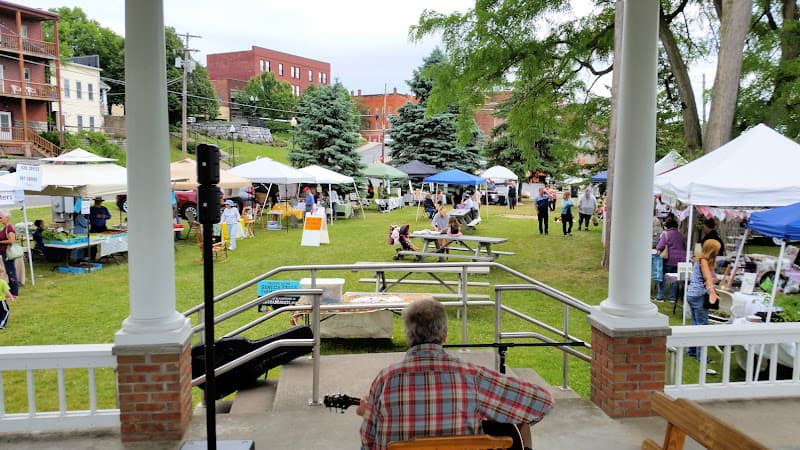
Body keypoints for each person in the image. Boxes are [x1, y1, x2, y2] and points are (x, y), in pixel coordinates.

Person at [357, 299, 553, 450]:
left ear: (408, 335)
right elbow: (543, 402)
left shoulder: (385, 379)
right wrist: (498, 417)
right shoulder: (471, 377)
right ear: (445, 335)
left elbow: (367, 443)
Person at [686, 239, 721, 373]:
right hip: (699, 295)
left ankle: (691, 350)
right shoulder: (704, 261)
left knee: (695, 324)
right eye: (716, 250)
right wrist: (713, 294)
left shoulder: (699, 260)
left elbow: (708, 278)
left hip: (692, 294)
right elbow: (708, 280)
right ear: (712, 250)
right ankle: (702, 357)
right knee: (702, 326)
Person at [654, 218, 687, 302]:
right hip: (680, 260)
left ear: (667, 226)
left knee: (663, 278)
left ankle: (660, 297)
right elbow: (684, 246)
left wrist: (657, 247)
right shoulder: (681, 235)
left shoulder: (666, 234)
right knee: (674, 279)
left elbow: (660, 246)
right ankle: (672, 298)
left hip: (669, 259)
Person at [0, 210, 19, 300]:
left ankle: (14, 293)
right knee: (9, 272)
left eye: (1, 217)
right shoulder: (5, 227)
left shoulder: (10, 228)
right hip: (4, 253)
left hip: (8, 254)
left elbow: (11, 240)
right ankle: (11, 291)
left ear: (7, 218)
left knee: (11, 273)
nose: (0, 219)